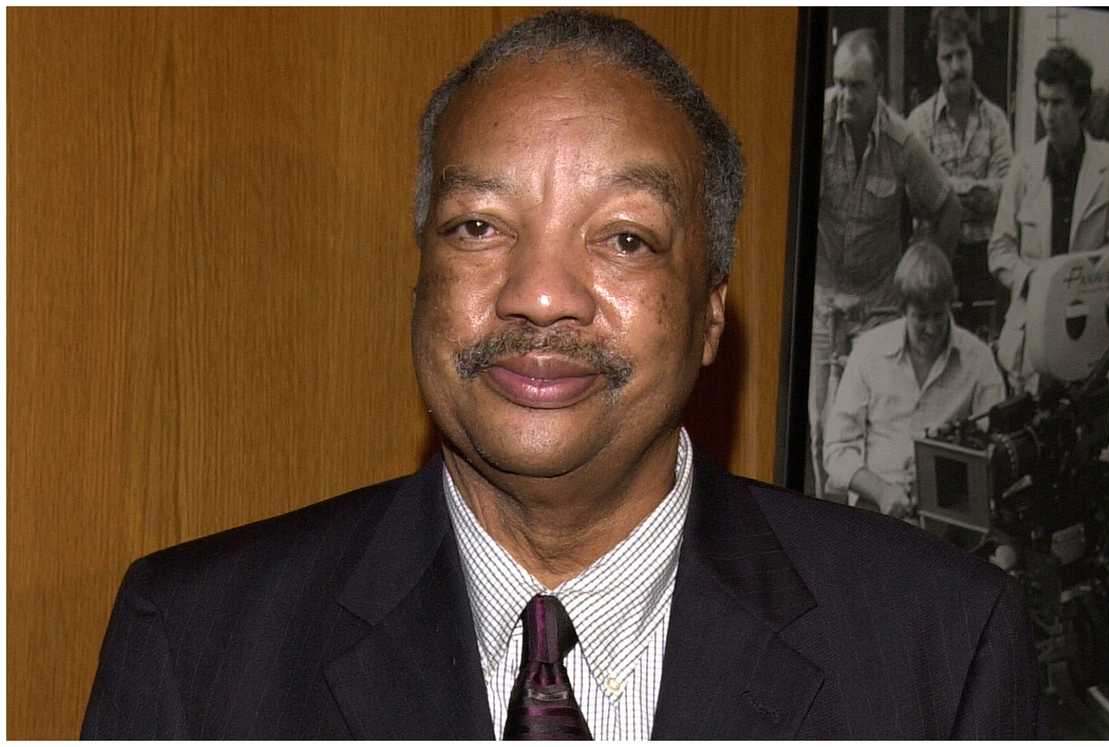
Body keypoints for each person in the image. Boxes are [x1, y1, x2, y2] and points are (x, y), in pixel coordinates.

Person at [82, 10, 1039, 739]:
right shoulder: (197, 648)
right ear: (421, 277)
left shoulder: (938, 652)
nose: (540, 297)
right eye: (478, 227)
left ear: (711, 311)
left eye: (625, 238)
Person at [810, 29, 961, 501]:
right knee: (818, 429)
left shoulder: (902, 143)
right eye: (839, 83)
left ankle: (870, 528)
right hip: (820, 304)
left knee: (876, 430)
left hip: (879, 307)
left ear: (879, 87)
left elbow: (947, 206)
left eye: (857, 85)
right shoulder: (814, 125)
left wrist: (926, 279)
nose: (845, 96)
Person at [823, 241, 1006, 518]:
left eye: (938, 316)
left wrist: (947, 477)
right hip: (877, 504)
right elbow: (837, 450)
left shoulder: (978, 359)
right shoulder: (869, 352)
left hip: (952, 506)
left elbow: (997, 443)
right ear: (902, 310)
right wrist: (882, 491)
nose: (931, 329)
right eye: (921, 318)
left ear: (950, 304)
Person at [989, 45, 1109, 394]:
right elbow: (999, 249)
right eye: (1042, 102)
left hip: (1090, 333)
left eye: (1057, 103)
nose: (1048, 114)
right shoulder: (1022, 169)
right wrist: (1031, 279)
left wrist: (1082, 280)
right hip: (1032, 335)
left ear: (1081, 105)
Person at [906, 8, 1013, 334]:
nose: (956, 66)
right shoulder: (919, 124)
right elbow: (919, 197)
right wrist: (977, 191)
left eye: (962, 54)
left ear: (973, 54)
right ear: (936, 62)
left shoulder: (996, 120)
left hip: (987, 261)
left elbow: (1005, 191)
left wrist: (949, 193)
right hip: (937, 256)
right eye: (946, 57)